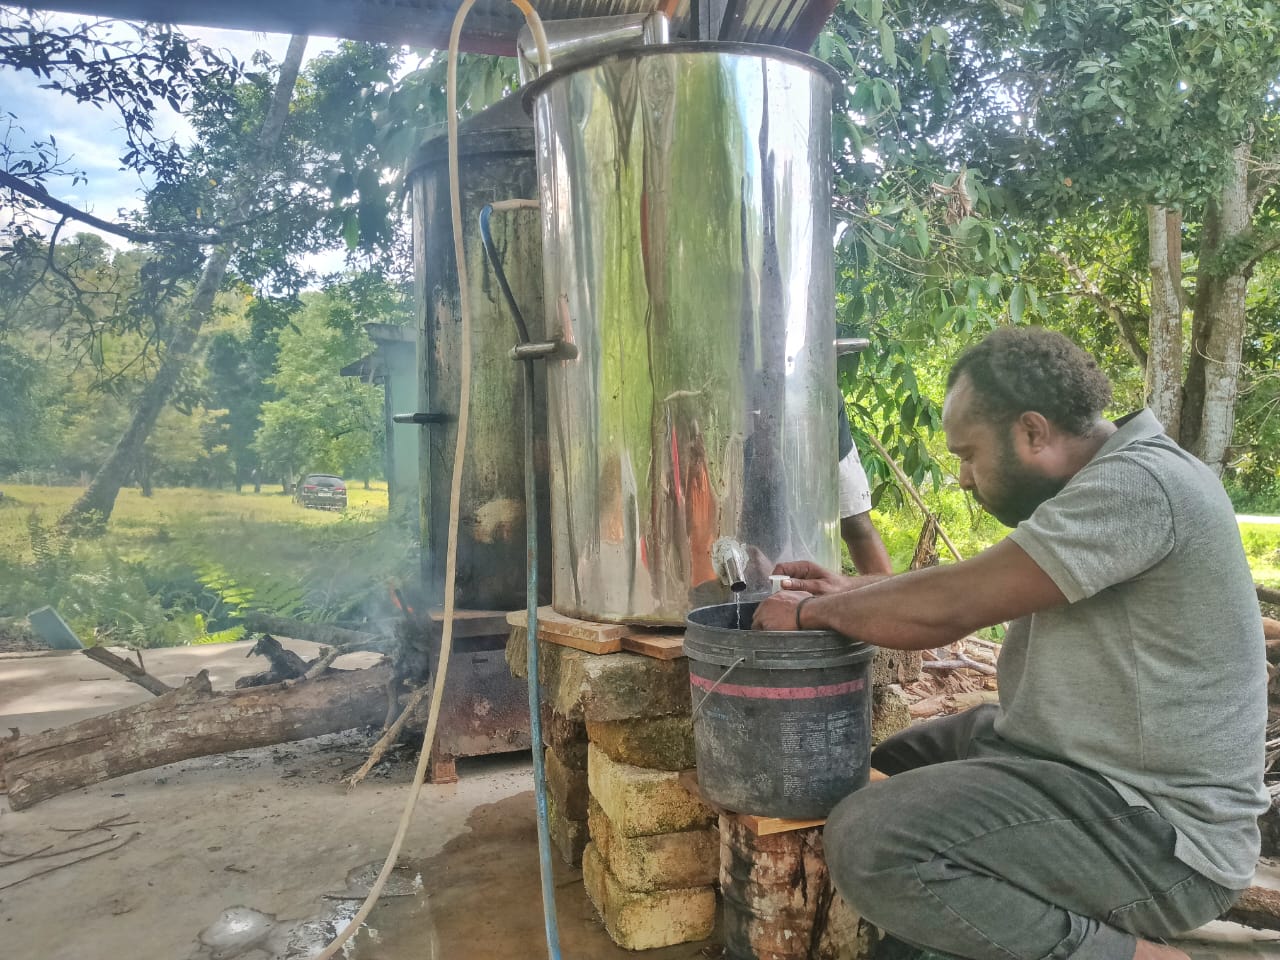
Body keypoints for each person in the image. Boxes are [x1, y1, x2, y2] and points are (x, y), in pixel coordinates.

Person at [754, 327, 1267, 960]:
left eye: (968, 454)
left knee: (873, 838)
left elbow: (956, 605)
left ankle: (1133, 956)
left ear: (1032, 431)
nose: (964, 480)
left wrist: (812, 614)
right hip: (1082, 766)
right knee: (904, 758)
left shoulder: (1140, 486)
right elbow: (972, 583)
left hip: (1163, 834)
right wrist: (850, 590)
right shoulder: (1105, 480)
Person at [837, 399, 894, 576]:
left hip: (821, 415)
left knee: (856, 524)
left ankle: (887, 599)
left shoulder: (823, 398)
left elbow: (857, 528)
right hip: (754, 423)